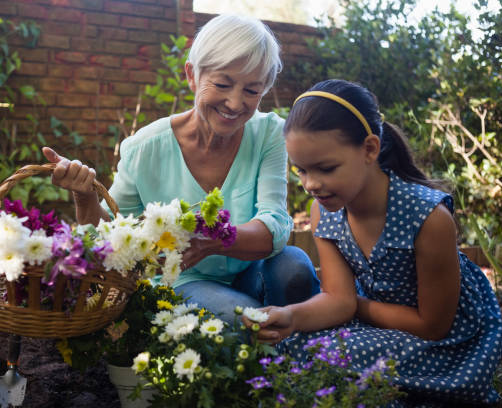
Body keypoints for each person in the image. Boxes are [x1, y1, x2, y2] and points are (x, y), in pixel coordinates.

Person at [42, 14, 320, 324]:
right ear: (192, 75)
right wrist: (85, 198)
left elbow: (276, 228)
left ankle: (295, 352)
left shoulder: (269, 133)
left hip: (252, 271)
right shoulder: (144, 148)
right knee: (238, 320)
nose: (235, 102)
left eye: (252, 91)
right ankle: (274, 351)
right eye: (223, 84)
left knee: (294, 267)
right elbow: (113, 237)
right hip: (185, 282)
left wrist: (215, 238)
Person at [249, 79, 502, 405]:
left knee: (335, 358)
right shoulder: (324, 213)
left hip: (445, 344)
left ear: (369, 149)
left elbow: (432, 326)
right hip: (378, 325)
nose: (311, 184)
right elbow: (337, 300)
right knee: (296, 345)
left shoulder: (428, 218)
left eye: (326, 168)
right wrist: (291, 316)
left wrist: (354, 306)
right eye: (301, 170)